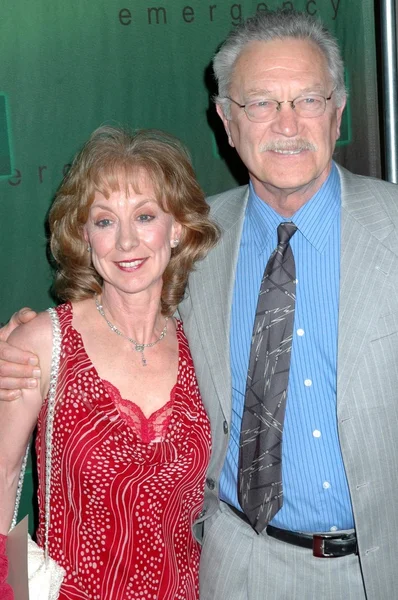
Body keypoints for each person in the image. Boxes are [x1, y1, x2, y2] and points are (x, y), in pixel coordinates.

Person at [1, 9, 398, 600]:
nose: (286, 124)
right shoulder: (200, 242)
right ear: (226, 120)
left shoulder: (392, 229)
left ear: (338, 110)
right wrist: (21, 340)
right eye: (260, 103)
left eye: (308, 100)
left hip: (374, 569)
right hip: (231, 567)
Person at [0, 125, 219, 600]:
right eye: (104, 221)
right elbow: (2, 473)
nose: (125, 242)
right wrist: (14, 590)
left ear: (177, 227)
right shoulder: (44, 340)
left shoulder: (203, 345)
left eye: (144, 216)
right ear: (84, 234)